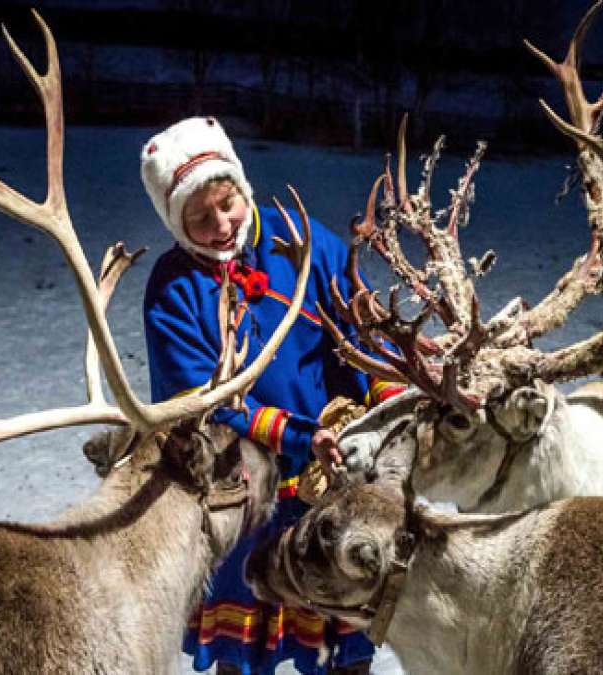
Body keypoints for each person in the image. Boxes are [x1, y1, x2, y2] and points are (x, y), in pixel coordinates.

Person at [140, 117, 403, 675]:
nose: (220, 225)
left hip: (333, 478)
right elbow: (200, 399)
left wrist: (389, 399)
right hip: (244, 492)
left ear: (241, 185)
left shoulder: (298, 238)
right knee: (245, 647)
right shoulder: (173, 289)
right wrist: (297, 435)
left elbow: (360, 327)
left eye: (227, 203)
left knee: (344, 637)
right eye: (199, 217)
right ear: (175, 221)